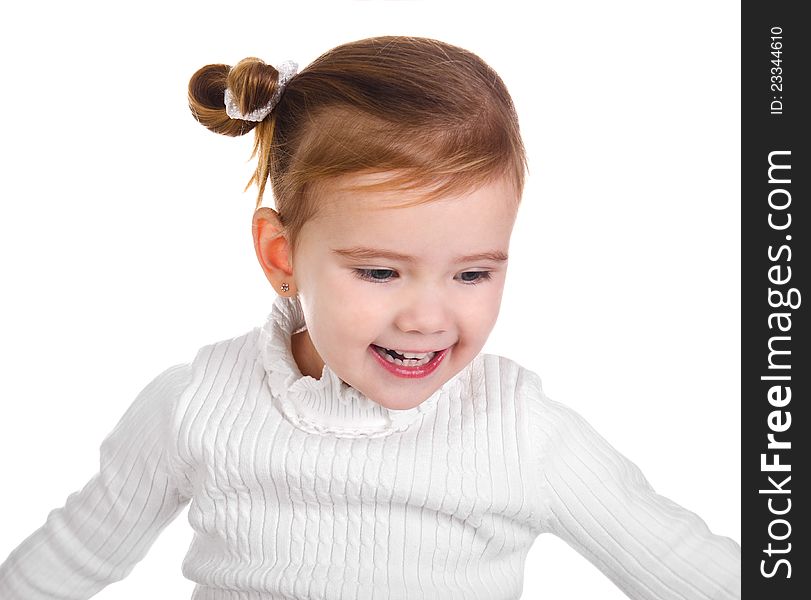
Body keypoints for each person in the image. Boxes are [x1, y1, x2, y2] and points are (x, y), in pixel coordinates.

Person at [0, 36, 740, 600]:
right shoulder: (196, 404)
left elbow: (680, 564)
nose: (426, 316)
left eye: (472, 272)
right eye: (380, 272)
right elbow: (72, 555)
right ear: (281, 255)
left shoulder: (520, 429)